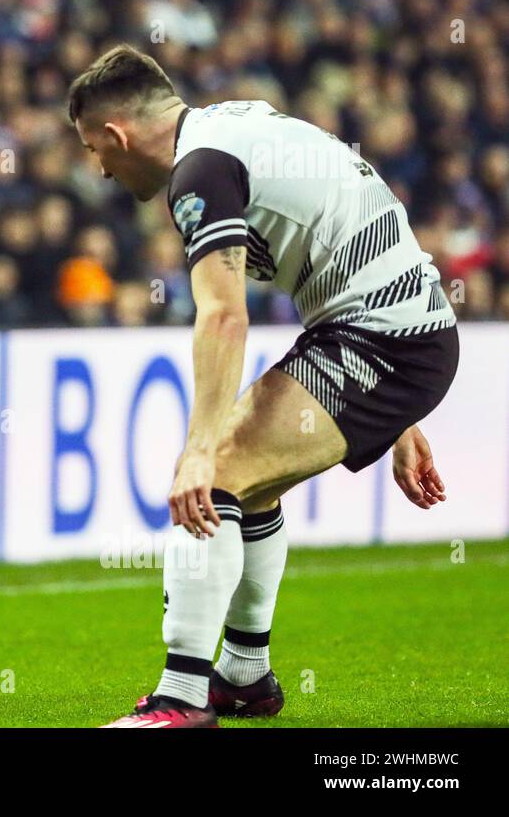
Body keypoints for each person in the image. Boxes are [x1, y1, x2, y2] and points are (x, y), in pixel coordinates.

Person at [66, 46, 458, 728]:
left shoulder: (199, 172)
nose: (97, 167)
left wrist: (197, 449)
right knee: (254, 482)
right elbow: (342, 221)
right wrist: (400, 417)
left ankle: (181, 700)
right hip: (390, 331)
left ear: (117, 135)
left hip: (385, 337)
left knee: (215, 474)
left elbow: (222, 317)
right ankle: (243, 677)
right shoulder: (231, 128)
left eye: (94, 149)